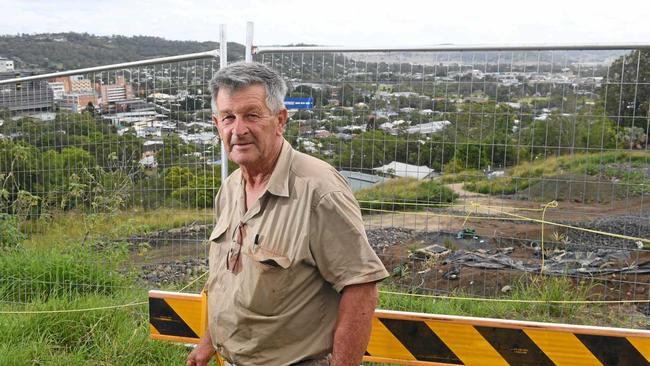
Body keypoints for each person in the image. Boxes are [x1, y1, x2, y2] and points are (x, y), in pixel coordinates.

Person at [186, 62, 389, 366]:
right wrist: (207, 344)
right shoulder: (229, 189)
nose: (237, 130)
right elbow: (227, 282)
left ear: (280, 120)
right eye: (228, 117)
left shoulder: (319, 191)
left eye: (252, 115)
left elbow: (361, 288)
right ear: (217, 124)